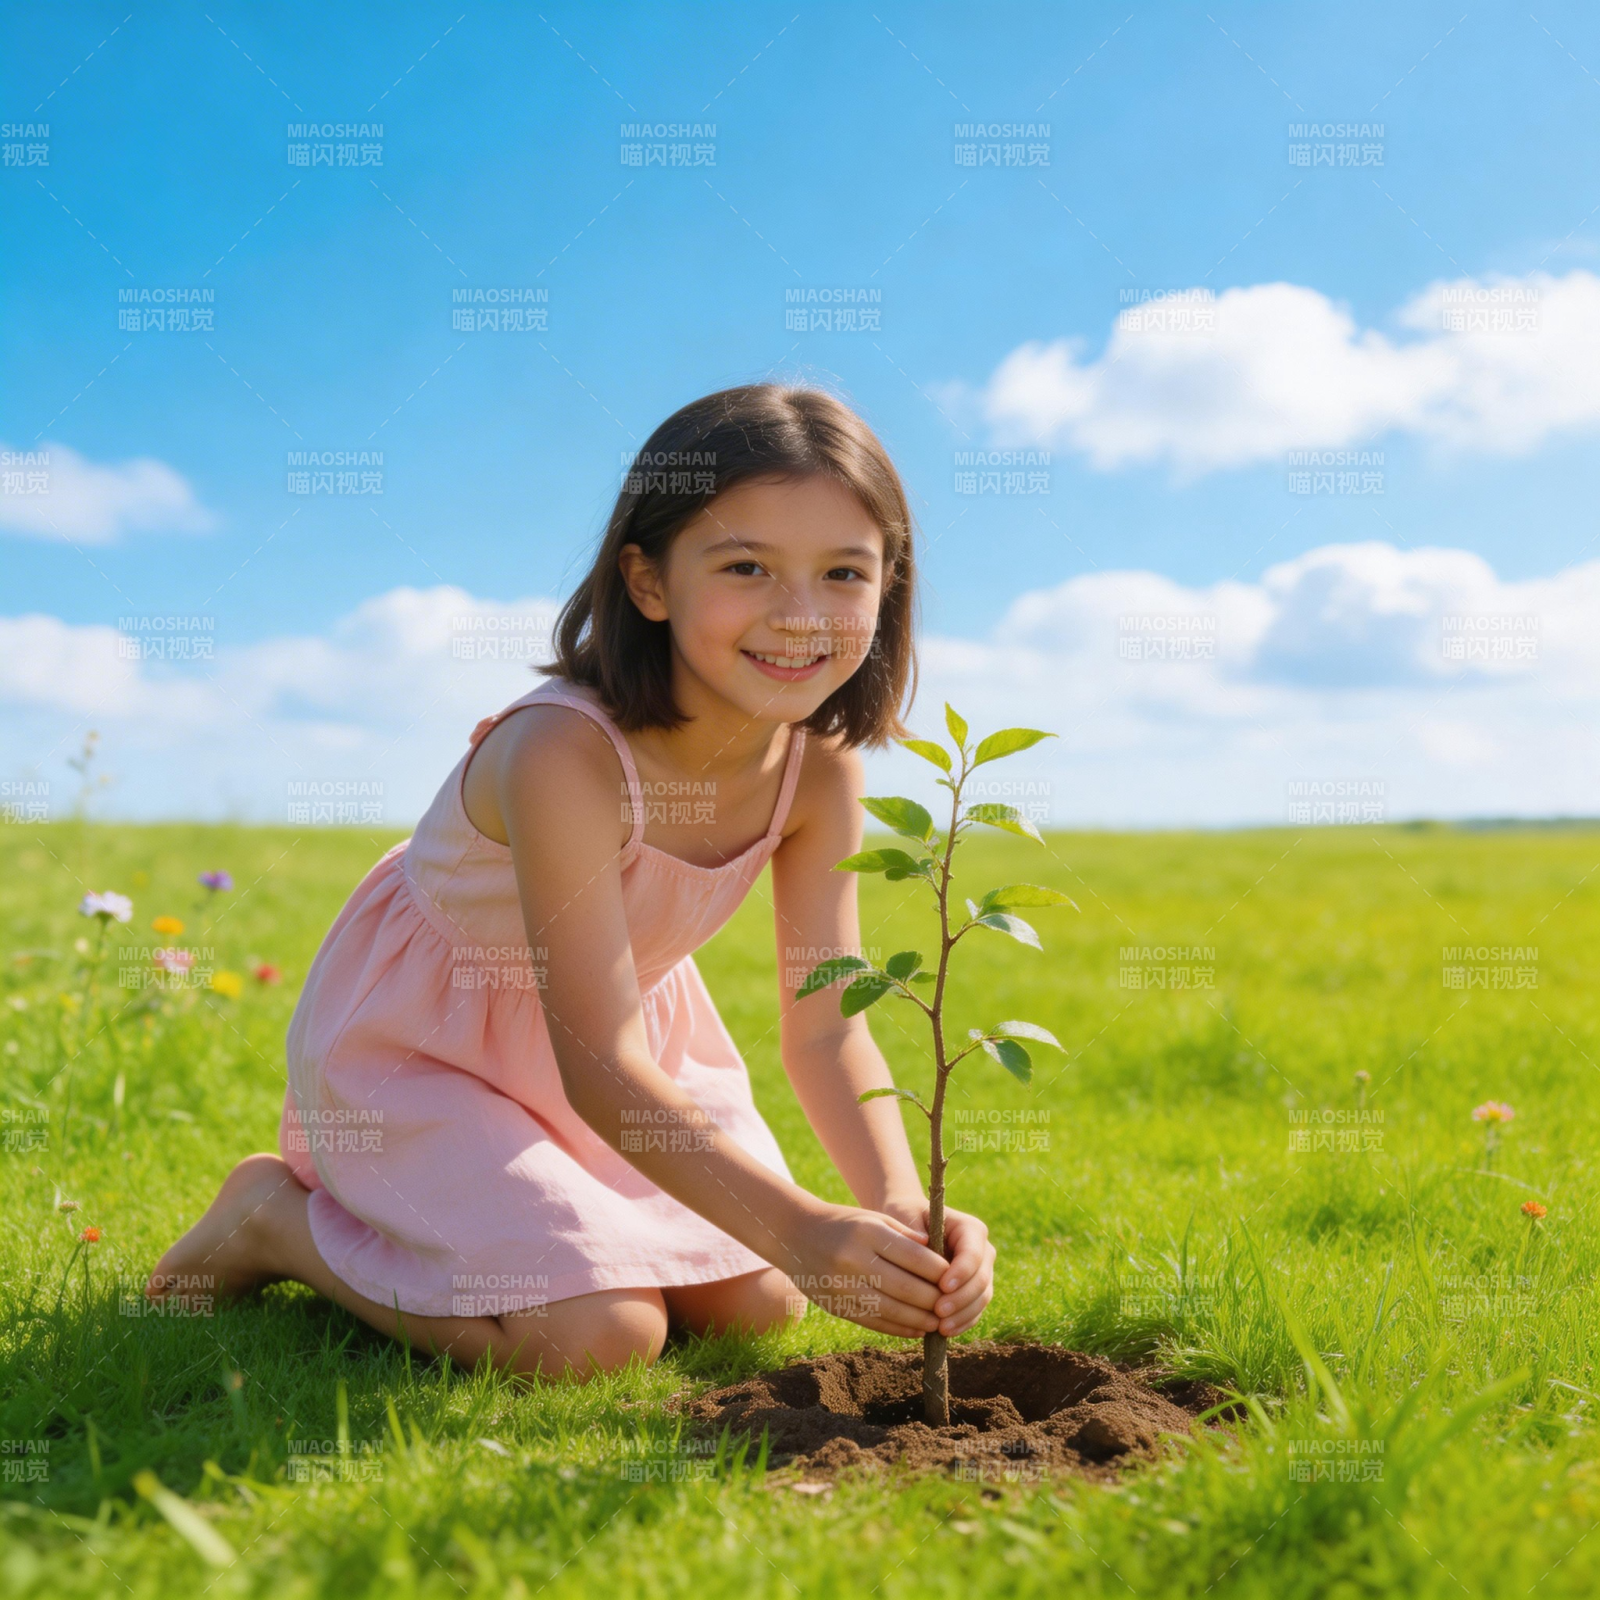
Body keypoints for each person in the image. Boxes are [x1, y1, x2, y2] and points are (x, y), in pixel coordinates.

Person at [148, 383, 995, 1380]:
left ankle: (580, 1243)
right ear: (647, 581)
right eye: (745, 566)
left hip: (627, 1041)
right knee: (599, 1335)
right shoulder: (562, 751)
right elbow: (596, 1055)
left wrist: (892, 1203)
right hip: (430, 1051)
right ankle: (273, 1224)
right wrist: (806, 1229)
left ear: (888, 588)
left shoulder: (817, 772)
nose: (800, 615)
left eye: (844, 573)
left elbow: (827, 1022)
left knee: (759, 1303)